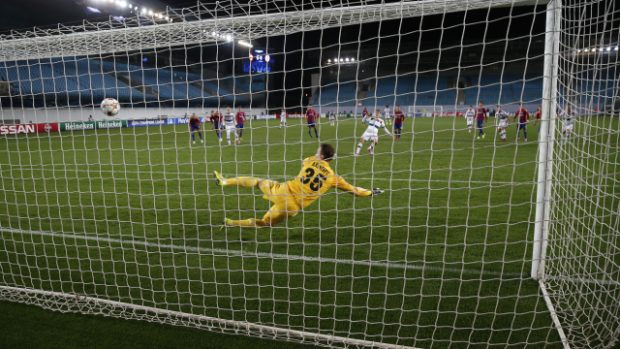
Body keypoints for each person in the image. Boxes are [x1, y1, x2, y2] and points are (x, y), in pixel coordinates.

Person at [214, 143, 384, 227]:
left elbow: (306, 161)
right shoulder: (334, 178)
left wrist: (314, 160)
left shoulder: (310, 161)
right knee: (264, 223)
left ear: (321, 156)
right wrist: (369, 192)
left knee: (258, 182)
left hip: (282, 190)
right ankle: (231, 223)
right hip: (292, 207)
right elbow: (354, 190)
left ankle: (225, 181)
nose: (315, 153)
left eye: (318, 151)